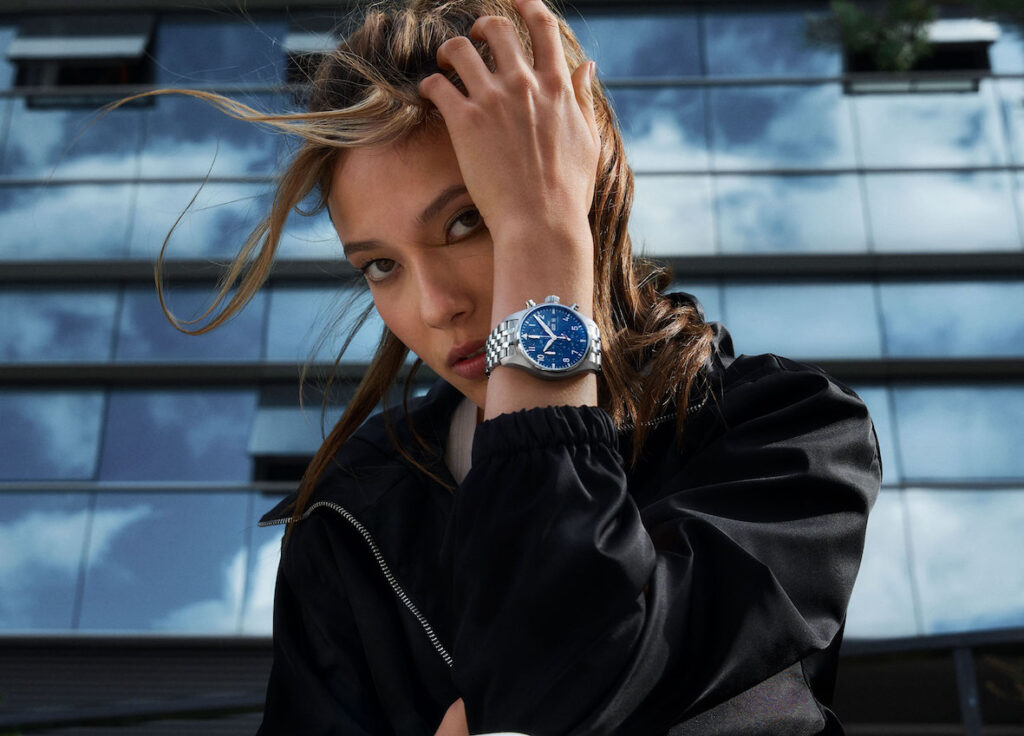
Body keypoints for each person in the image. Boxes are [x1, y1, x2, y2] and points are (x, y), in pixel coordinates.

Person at [150, 0, 881, 732]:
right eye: (380, 265)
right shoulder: (345, 525)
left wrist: (538, 237)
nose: (436, 305)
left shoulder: (789, 433)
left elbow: (557, 694)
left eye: (467, 220)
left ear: (579, 186)